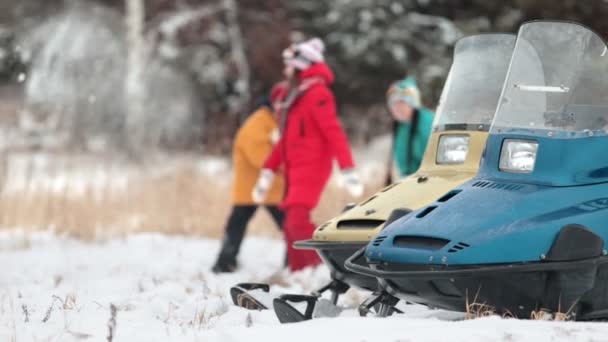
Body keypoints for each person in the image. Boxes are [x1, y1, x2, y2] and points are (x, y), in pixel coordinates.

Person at [251, 38, 363, 272]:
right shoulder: (295, 96)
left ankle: (316, 268)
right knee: (290, 225)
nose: (285, 70)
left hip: (312, 167)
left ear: (301, 65)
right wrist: (268, 171)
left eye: (289, 65)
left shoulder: (317, 94)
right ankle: (297, 270)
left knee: (297, 222)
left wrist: (347, 168)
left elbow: (334, 133)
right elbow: (285, 141)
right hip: (294, 168)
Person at [212, 94, 285, 273]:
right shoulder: (259, 123)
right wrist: (286, 166)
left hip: (262, 187)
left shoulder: (269, 121)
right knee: (289, 225)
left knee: (237, 225)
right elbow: (261, 157)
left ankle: (225, 263)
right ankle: (224, 263)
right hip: (257, 186)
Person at [385, 77, 434, 183]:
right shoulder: (402, 125)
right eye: (393, 103)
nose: (397, 108)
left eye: (402, 103)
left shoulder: (428, 123)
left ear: (413, 104)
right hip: (411, 182)